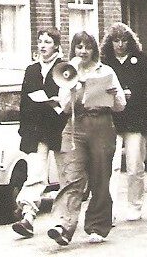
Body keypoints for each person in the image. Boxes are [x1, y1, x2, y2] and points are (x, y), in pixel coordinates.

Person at [47, 32, 126, 246]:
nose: (83, 51)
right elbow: (63, 107)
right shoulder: (67, 71)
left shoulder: (106, 71)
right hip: (75, 125)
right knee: (71, 176)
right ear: (73, 49)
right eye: (79, 47)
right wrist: (71, 86)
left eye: (87, 47)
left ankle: (97, 226)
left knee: (100, 176)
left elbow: (120, 106)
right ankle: (63, 225)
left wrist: (113, 94)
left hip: (101, 123)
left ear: (94, 50)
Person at [11, 28, 67, 238]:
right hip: (36, 130)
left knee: (65, 176)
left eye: (48, 42)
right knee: (35, 174)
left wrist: (54, 104)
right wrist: (24, 130)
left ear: (56, 45)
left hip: (59, 128)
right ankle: (28, 216)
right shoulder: (31, 70)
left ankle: (62, 221)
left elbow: (68, 98)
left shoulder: (64, 68)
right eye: (40, 41)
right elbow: (24, 102)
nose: (43, 46)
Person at [100, 23, 147, 223]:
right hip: (112, 120)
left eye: (124, 40)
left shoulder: (142, 61)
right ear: (110, 42)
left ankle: (135, 205)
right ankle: (109, 208)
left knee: (134, 164)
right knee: (111, 167)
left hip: (135, 119)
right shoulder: (104, 63)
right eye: (116, 41)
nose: (120, 45)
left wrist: (134, 94)